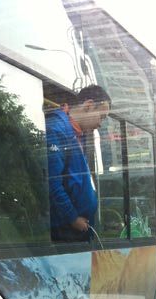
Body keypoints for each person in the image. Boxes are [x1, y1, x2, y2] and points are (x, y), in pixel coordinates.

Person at [45, 85, 111, 242]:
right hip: (65, 231)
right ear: (88, 105)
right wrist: (72, 218)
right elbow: (52, 182)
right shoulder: (57, 129)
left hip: (75, 229)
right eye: (101, 117)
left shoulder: (77, 134)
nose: (100, 124)